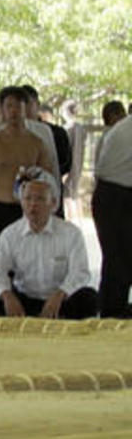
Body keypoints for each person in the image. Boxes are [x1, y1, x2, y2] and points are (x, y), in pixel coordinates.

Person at [0, 170, 96, 319]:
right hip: (24, 299)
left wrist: (60, 295)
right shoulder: (10, 234)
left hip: (60, 299)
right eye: (28, 199)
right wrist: (7, 296)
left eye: (39, 199)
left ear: (52, 203)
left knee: (90, 298)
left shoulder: (71, 233)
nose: (33, 205)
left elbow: (80, 273)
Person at [0, 86, 57, 252]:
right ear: (2, 110)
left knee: (30, 259)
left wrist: (48, 209)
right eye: (9, 106)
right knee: (2, 259)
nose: (14, 111)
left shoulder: (37, 143)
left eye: (18, 106)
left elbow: (47, 179)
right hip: (0, 208)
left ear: (26, 109)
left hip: (30, 209)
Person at [93, 111, 132, 317]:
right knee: (119, 261)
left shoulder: (123, 126)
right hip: (116, 197)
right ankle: (112, 313)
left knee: (119, 260)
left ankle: (114, 309)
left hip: (115, 194)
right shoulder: (126, 128)